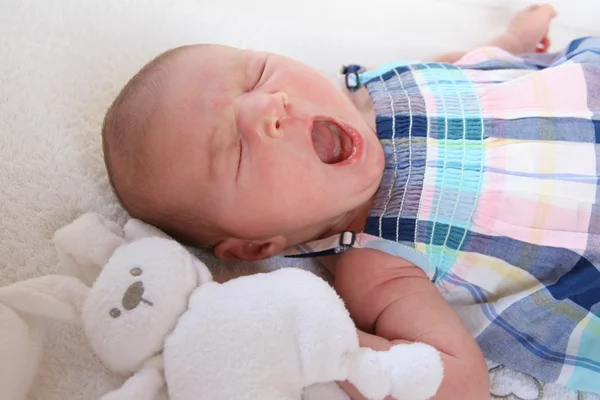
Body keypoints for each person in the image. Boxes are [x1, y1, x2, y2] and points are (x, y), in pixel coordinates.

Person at [102, 4, 600, 398]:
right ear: (257, 247)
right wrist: (311, 339)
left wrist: (509, 44)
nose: (269, 106)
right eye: (234, 150)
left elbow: (454, 72)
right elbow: (456, 382)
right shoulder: (375, 264)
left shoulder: (371, 89)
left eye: (256, 74)